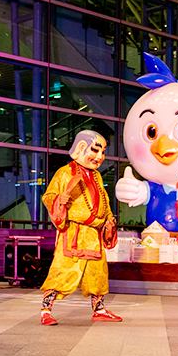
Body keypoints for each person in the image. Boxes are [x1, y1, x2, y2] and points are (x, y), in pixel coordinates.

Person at [39, 130, 121, 325]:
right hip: (73, 232)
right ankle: (45, 310)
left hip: (94, 234)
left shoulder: (97, 177)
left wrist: (108, 219)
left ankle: (99, 309)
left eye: (103, 152)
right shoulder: (65, 173)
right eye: (95, 150)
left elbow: (104, 201)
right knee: (62, 272)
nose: (99, 157)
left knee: (97, 274)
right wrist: (60, 201)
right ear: (81, 148)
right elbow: (49, 196)